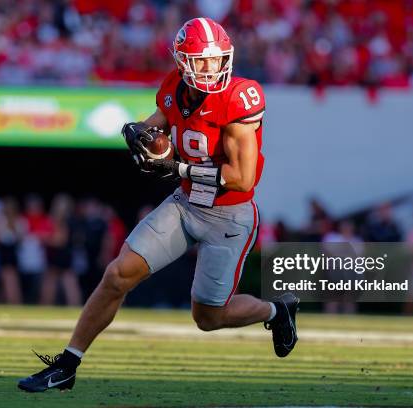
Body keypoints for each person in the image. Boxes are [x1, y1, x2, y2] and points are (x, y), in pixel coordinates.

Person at [18, 17, 299, 393]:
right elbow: (157, 127)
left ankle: (276, 310)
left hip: (228, 214)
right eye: (201, 61)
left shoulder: (239, 97)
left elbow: (242, 178)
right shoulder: (173, 88)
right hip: (185, 203)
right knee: (118, 274)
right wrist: (138, 134)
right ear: (183, 62)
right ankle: (68, 364)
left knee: (208, 317)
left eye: (216, 60)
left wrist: (177, 166)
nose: (210, 68)